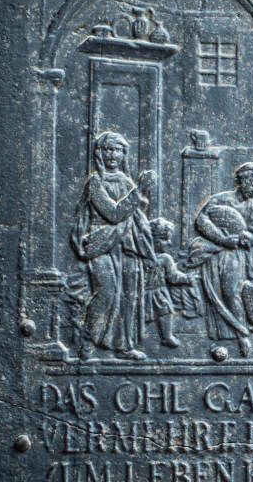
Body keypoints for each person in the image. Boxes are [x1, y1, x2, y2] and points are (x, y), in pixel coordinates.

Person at [72, 130, 156, 360]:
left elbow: (136, 216)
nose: (113, 154)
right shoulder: (95, 182)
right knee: (107, 291)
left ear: (123, 154)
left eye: (118, 150)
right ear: (100, 153)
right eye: (108, 149)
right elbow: (113, 213)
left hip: (127, 245)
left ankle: (124, 345)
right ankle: (88, 339)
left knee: (130, 295)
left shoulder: (125, 180)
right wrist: (139, 192)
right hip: (102, 243)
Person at [187, 162, 253, 358]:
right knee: (215, 292)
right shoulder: (220, 200)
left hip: (235, 255)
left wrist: (247, 237)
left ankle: (241, 334)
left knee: (231, 293)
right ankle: (220, 335)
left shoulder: (252, 207)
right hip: (216, 253)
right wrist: (222, 239)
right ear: (247, 180)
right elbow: (201, 221)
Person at [144, 218, 200, 348]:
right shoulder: (143, 256)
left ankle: (167, 336)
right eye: (165, 239)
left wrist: (187, 278)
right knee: (140, 314)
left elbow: (173, 276)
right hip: (142, 291)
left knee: (166, 311)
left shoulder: (165, 258)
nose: (169, 243)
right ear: (153, 239)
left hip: (158, 291)